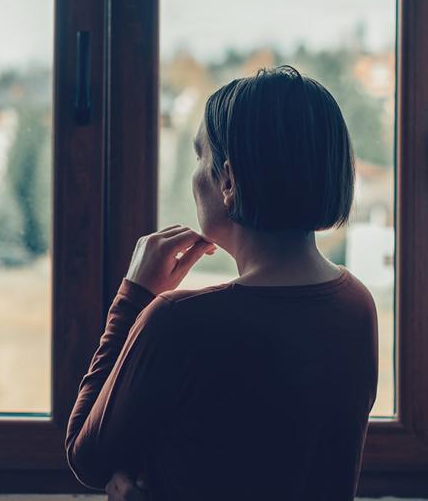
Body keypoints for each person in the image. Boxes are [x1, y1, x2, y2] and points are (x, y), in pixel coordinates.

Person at [65, 65, 379, 500]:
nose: (196, 175)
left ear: (228, 180)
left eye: (200, 157)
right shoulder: (357, 305)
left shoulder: (178, 322)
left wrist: (134, 295)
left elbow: (86, 457)